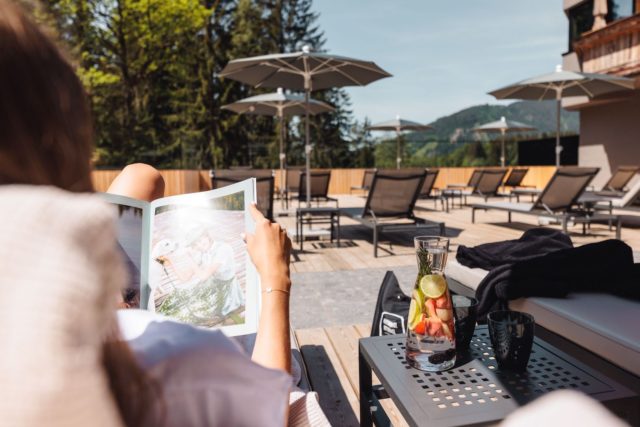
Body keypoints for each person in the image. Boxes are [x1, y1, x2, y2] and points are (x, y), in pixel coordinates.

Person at [0, 3, 310, 426]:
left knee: (140, 176)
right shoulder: (178, 359)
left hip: (94, 298)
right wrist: (276, 280)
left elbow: (142, 176)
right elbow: (275, 406)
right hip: (135, 320)